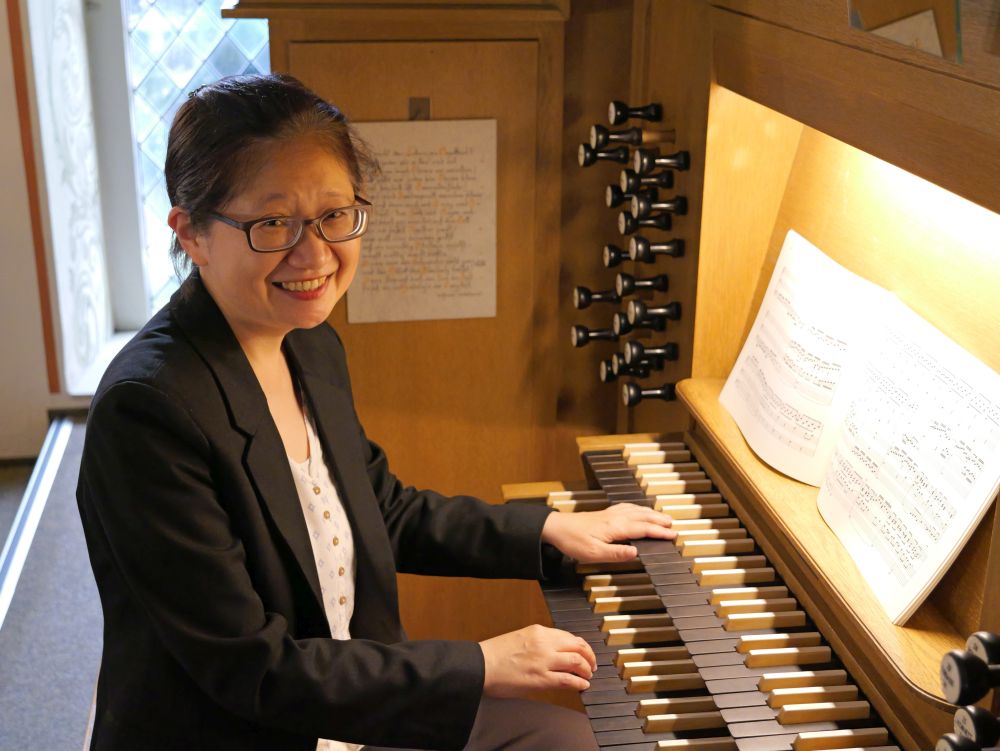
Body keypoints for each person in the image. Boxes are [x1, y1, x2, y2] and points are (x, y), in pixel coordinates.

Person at [76, 73, 675, 751]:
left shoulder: (309, 343)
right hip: (248, 728)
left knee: (579, 742)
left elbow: (379, 507)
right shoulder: (149, 411)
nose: (315, 254)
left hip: (350, 712)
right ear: (191, 233)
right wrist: (480, 663)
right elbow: (253, 669)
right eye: (273, 223)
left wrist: (547, 530)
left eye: (335, 215)